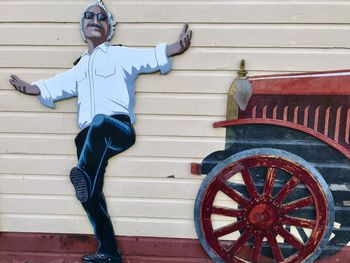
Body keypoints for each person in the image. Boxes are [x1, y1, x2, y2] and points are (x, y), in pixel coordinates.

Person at [9, 0, 192, 262]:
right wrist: (33, 88)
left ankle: (81, 174)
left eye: (101, 17)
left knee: (98, 123)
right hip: (89, 139)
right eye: (89, 16)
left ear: (109, 28)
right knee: (91, 196)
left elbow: (148, 57)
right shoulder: (80, 66)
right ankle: (109, 251)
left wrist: (176, 47)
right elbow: (58, 85)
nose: (95, 19)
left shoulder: (119, 55)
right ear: (82, 26)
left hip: (116, 129)